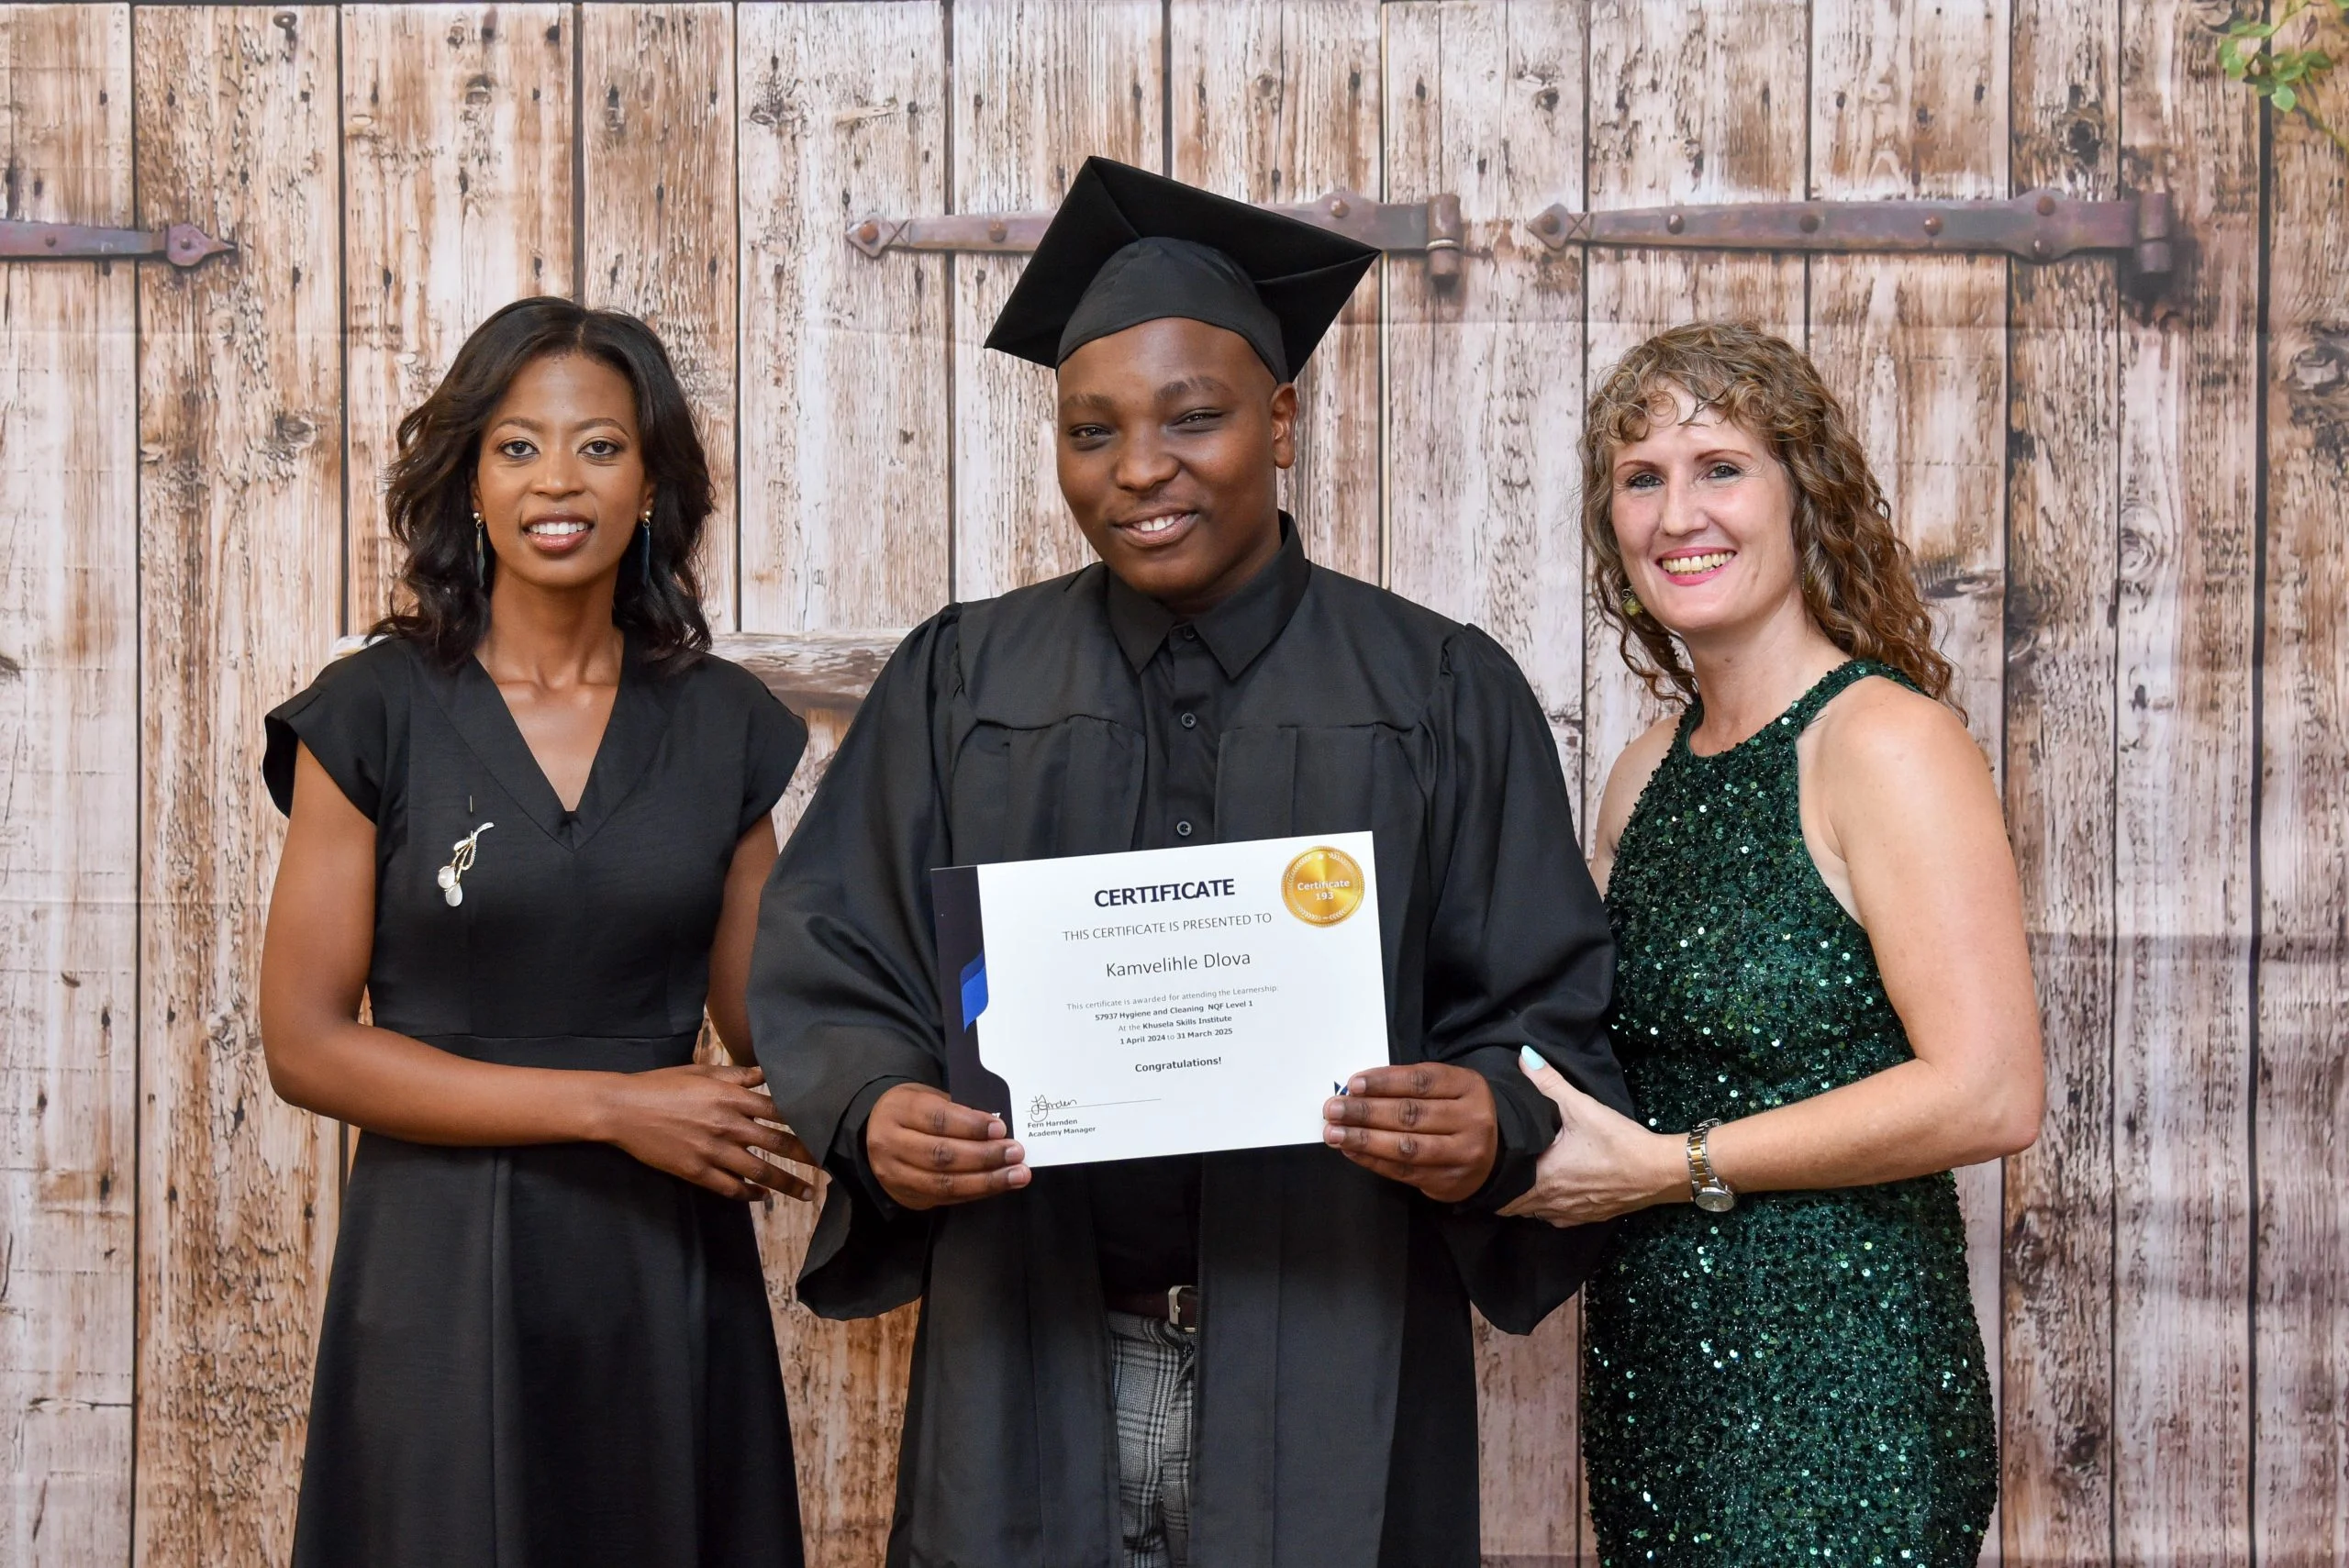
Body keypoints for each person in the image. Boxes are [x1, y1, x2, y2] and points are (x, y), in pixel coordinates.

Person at [748, 158, 1631, 1568]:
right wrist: (875, 1110)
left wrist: (1492, 1118)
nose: (1139, 468)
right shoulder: (963, 681)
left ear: (1281, 420)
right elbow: (831, 949)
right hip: (1031, 1353)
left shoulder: (1436, 690)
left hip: (1334, 1359)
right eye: (1089, 431)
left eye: (1193, 417)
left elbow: (1544, 1005)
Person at [258, 297, 814, 1568]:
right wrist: (615, 1108)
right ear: (470, 481)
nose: (557, 480)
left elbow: (773, 1028)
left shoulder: (726, 724)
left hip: (662, 1270)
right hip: (437, 1264)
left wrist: (975, 1014)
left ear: (652, 484)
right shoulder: (373, 711)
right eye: (517, 447)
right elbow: (304, 1045)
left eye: (600, 447)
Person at [1498, 322, 2044, 1564]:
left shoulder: (1884, 741)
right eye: (1641, 479)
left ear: (1806, 497)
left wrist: (1670, 1167)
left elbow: (1992, 1091)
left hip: (1845, 1395)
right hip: (1660, 1385)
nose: (1678, 514)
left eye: (1721, 468)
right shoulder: (1644, 773)